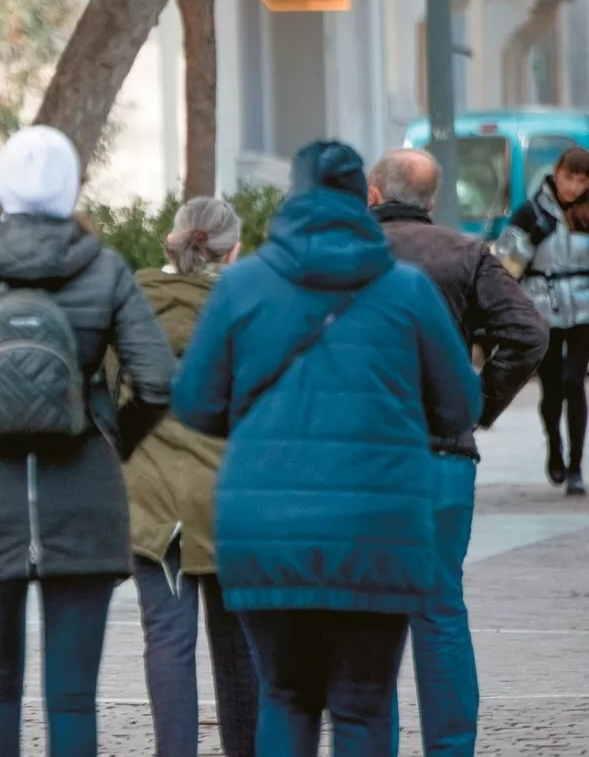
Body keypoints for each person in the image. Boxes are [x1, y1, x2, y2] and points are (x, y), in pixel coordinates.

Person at [171, 139, 482, 756]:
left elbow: (194, 406)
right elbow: (460, 407)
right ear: (360, 199)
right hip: (378, 530)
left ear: (294, 194)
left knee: (284, 699)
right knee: (363, 709)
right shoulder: (408, 292)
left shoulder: (241, 288)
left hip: (265, 532)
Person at [0, 125, 175, 757]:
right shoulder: (103, 268)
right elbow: (158, 382)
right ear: (74, 185)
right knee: (73, 696)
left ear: (0, 184)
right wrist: (110, 438)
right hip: (83, 496)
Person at [369, 148, 548, 755]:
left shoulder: (346, 257)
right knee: (440, 608)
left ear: (372, 196)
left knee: (371, 620)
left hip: (365, 461)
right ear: (432, 202)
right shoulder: (465, 253)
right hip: (443, 455)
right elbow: (528, 333)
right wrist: (475, 404)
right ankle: (451, 749)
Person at [109, 197, 258, 757]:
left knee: (168, 641)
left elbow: (106, 391)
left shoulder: (133, 298)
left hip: (155, 506)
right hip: (228, 502)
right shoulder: (246, 302)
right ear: (233, 249)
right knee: (239, 644)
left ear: (172, 240)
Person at [494, 145, 589, 497]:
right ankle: (555, 446)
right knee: (551, 388)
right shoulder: (530, 211)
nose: (574, 187)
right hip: (542, 308)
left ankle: (577, 466)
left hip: (583, 308)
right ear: (557, 172)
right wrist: (532, 238)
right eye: (570, 177)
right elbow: (506, 265)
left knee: (573, 380)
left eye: (582, 180)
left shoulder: (586, 212)